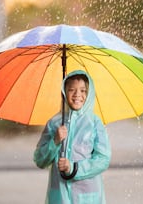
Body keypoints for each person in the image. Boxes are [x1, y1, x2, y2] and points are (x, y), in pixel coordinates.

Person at [34, 70, 111, 204]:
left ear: (89, 93)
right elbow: (40, 160)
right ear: (64, 92)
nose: (77, 95)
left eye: (83, 91)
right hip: (60, 196)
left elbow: (103, 159)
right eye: (71, 90)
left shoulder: (94, 123)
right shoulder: (54, 123)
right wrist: (55, 141)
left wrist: (74, 168)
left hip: (87, 195)